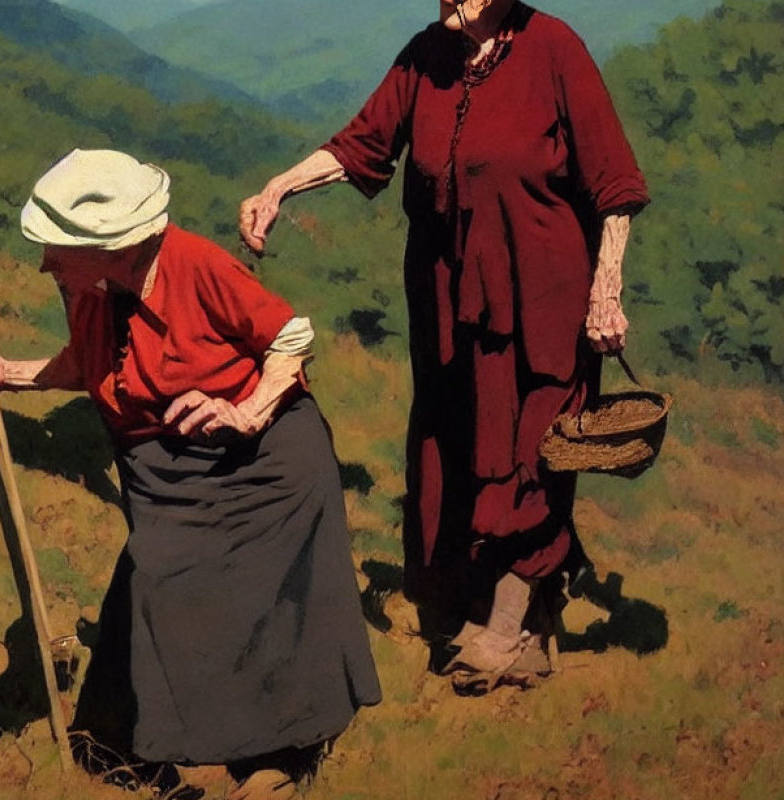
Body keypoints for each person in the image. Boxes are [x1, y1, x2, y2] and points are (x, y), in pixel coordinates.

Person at [239, 0, 649, 692]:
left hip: (542, 301)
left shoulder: (555, 50)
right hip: (448, 305)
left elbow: (614, 184)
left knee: (534, 451)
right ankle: (501, 602)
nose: (445, 1)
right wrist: (279, 187)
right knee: (457, 447)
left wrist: (606, 291)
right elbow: (359, 146)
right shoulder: (426, 55)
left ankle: (513, 619)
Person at [0, 148, 381, 799]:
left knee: (254, 607)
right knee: (156, 585)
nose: (45, 262)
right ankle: (122, 751)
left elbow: (291, 337)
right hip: (174, 473)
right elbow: (90, 364)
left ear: (112, 246)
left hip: (262, 466)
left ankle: (280, 757)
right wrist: (8, 373)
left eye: (58, 248)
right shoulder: (91, 289)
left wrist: (246, 412)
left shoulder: (195, 265)